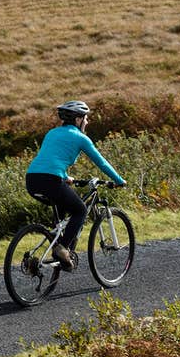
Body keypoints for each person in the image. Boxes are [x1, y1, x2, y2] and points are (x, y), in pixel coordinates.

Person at [24, 100, 126, 271]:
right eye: (85, 118)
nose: (87, 122)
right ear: (78, 119)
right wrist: (119, 180)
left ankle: (56, 245)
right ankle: (62, 249)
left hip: (32, 179)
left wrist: (64, 176)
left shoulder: (52, 133)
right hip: (51, 180)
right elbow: (101, 162)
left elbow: (50, 159)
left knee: (62, 216)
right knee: (80, 211)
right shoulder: (81, 138)